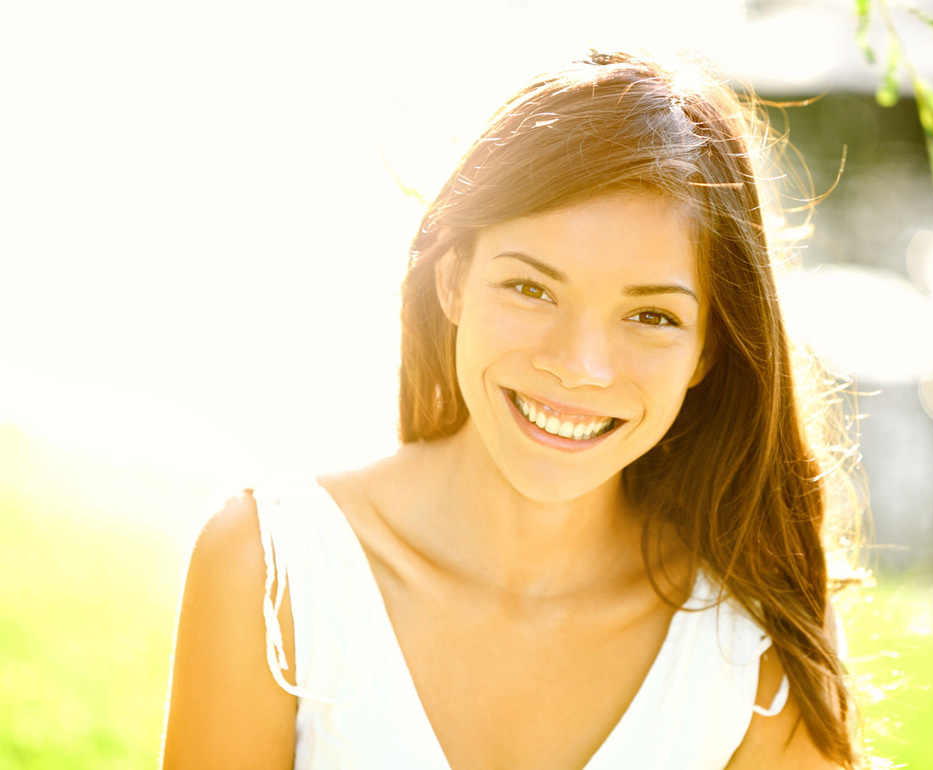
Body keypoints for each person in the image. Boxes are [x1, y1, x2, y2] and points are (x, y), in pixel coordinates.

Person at [162, 50, 862, 769]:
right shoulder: (272, 567)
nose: (578, 367)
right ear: (454, 280)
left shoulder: (758, 642)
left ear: (709, 351)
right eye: (532, 289)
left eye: (650, 316)